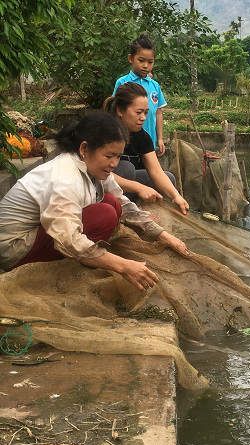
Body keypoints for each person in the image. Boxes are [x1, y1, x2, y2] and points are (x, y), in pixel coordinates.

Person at [0, 111, 187, 292]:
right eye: (108, 156)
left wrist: (163, 235)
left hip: (38, 232)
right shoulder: (65, 177)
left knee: (112, 203)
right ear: (84, 149)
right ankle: (80, 261)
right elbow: (68, 239)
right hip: (14, 248)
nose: (114, 164)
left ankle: (91, 256)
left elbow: (123, 204)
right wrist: (123, 266)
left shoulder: (94, 169)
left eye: (118, 156)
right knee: (103, 215)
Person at [104, 82, 189, 215]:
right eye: (138, 112)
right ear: (120, 110)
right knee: (127, 168)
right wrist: (138, 187)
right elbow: (98, 174)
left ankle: (137, 209)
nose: (143, 118)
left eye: (146, 113)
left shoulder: (142, 136)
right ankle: (120, 211)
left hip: (125, 185)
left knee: (169, 178)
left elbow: (156, 171)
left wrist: (176, 196)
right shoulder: (103, 131)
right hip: (100, 185)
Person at [113, 34, 166, 156]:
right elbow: (114, 112)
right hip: (127, 144)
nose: (146, 65)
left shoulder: (155, 86)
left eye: (150, 62)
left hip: (149, 144)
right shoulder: (122, 83)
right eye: (141, 60)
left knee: (150, 172)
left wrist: (160, 138)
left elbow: (158, 112)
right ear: (131, 58)